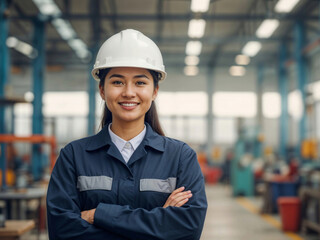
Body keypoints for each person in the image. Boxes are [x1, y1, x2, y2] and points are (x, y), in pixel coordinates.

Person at [46, 29, 207, 240]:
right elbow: (62, 231)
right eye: (117, 82)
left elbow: (188, 228)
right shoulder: (74, 156)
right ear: (102, 90)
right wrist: (159, 224)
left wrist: (98, 215)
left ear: (154, 91)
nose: (129, 92)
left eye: (140, 82)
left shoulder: (180, 157)